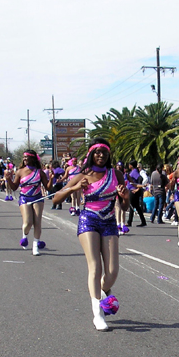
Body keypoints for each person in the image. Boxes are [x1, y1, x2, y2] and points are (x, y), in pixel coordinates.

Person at [52, 138, 130, 331]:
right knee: (95, 267)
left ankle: (101, 294)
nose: (101, 155)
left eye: (104, 152)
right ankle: (98, 313)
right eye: (97, 152)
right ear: (91, 154)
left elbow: (125, 206)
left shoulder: (116, 174)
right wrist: (75, 188)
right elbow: (56, 198)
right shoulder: (82, 175)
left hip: (109, 221)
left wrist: (125, 197)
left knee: (112, 273)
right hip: (89, 220)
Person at [6, 150, 50, 256]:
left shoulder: (40, 172)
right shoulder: (20, 171)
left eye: (27, 157)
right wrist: (8, 179)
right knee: (28, 222)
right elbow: (14, 187)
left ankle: (35, 246)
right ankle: (24, 236)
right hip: (24, 198)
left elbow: (48, 187)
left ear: (33, 159)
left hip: (37, 198)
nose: (25, 159)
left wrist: (51, 179)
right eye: (24, 157)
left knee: (37, 222)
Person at [125, 161, 147, 227]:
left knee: (132, 206)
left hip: (133, 191)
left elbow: (140, 178)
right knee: (137, 206)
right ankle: (143, 221)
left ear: (131, 165)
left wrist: (137, 188)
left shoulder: (134, 171)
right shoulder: (133, 171)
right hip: (132, 190)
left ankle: (129, 221)